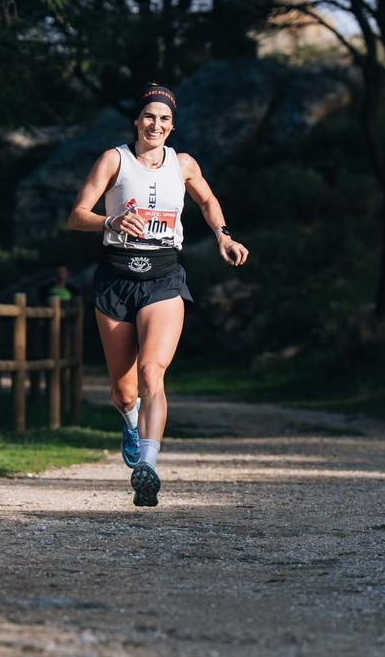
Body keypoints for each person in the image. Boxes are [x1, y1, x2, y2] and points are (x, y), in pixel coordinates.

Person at [67, 83, 249, 507]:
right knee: (124, 390)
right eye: (149, 116)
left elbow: (207, 200)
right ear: (137, 120)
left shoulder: (183, 164)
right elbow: (77, 216)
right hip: (116, 280)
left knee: (152, 372)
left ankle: (147, 466)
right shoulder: (115, 159)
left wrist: (222, 236)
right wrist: (110, 221)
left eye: (164, 119)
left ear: (172, 125)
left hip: (164, 278)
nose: (156, 124)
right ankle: (130, 421)